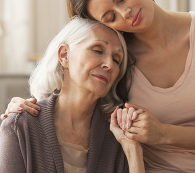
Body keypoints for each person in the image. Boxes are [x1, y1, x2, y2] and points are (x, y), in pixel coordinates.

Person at [2, 0, 195, 172]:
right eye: (110, 16)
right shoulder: (120, 61)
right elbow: (78, 89)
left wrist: (163, 134)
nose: (125, 13)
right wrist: (21, 114)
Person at [0, 17, 145, 173]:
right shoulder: (20, 126)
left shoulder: (117, 138)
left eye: (116, 59)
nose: (109, 65)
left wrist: (133, 150)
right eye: (97, 50)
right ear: (64, 55)